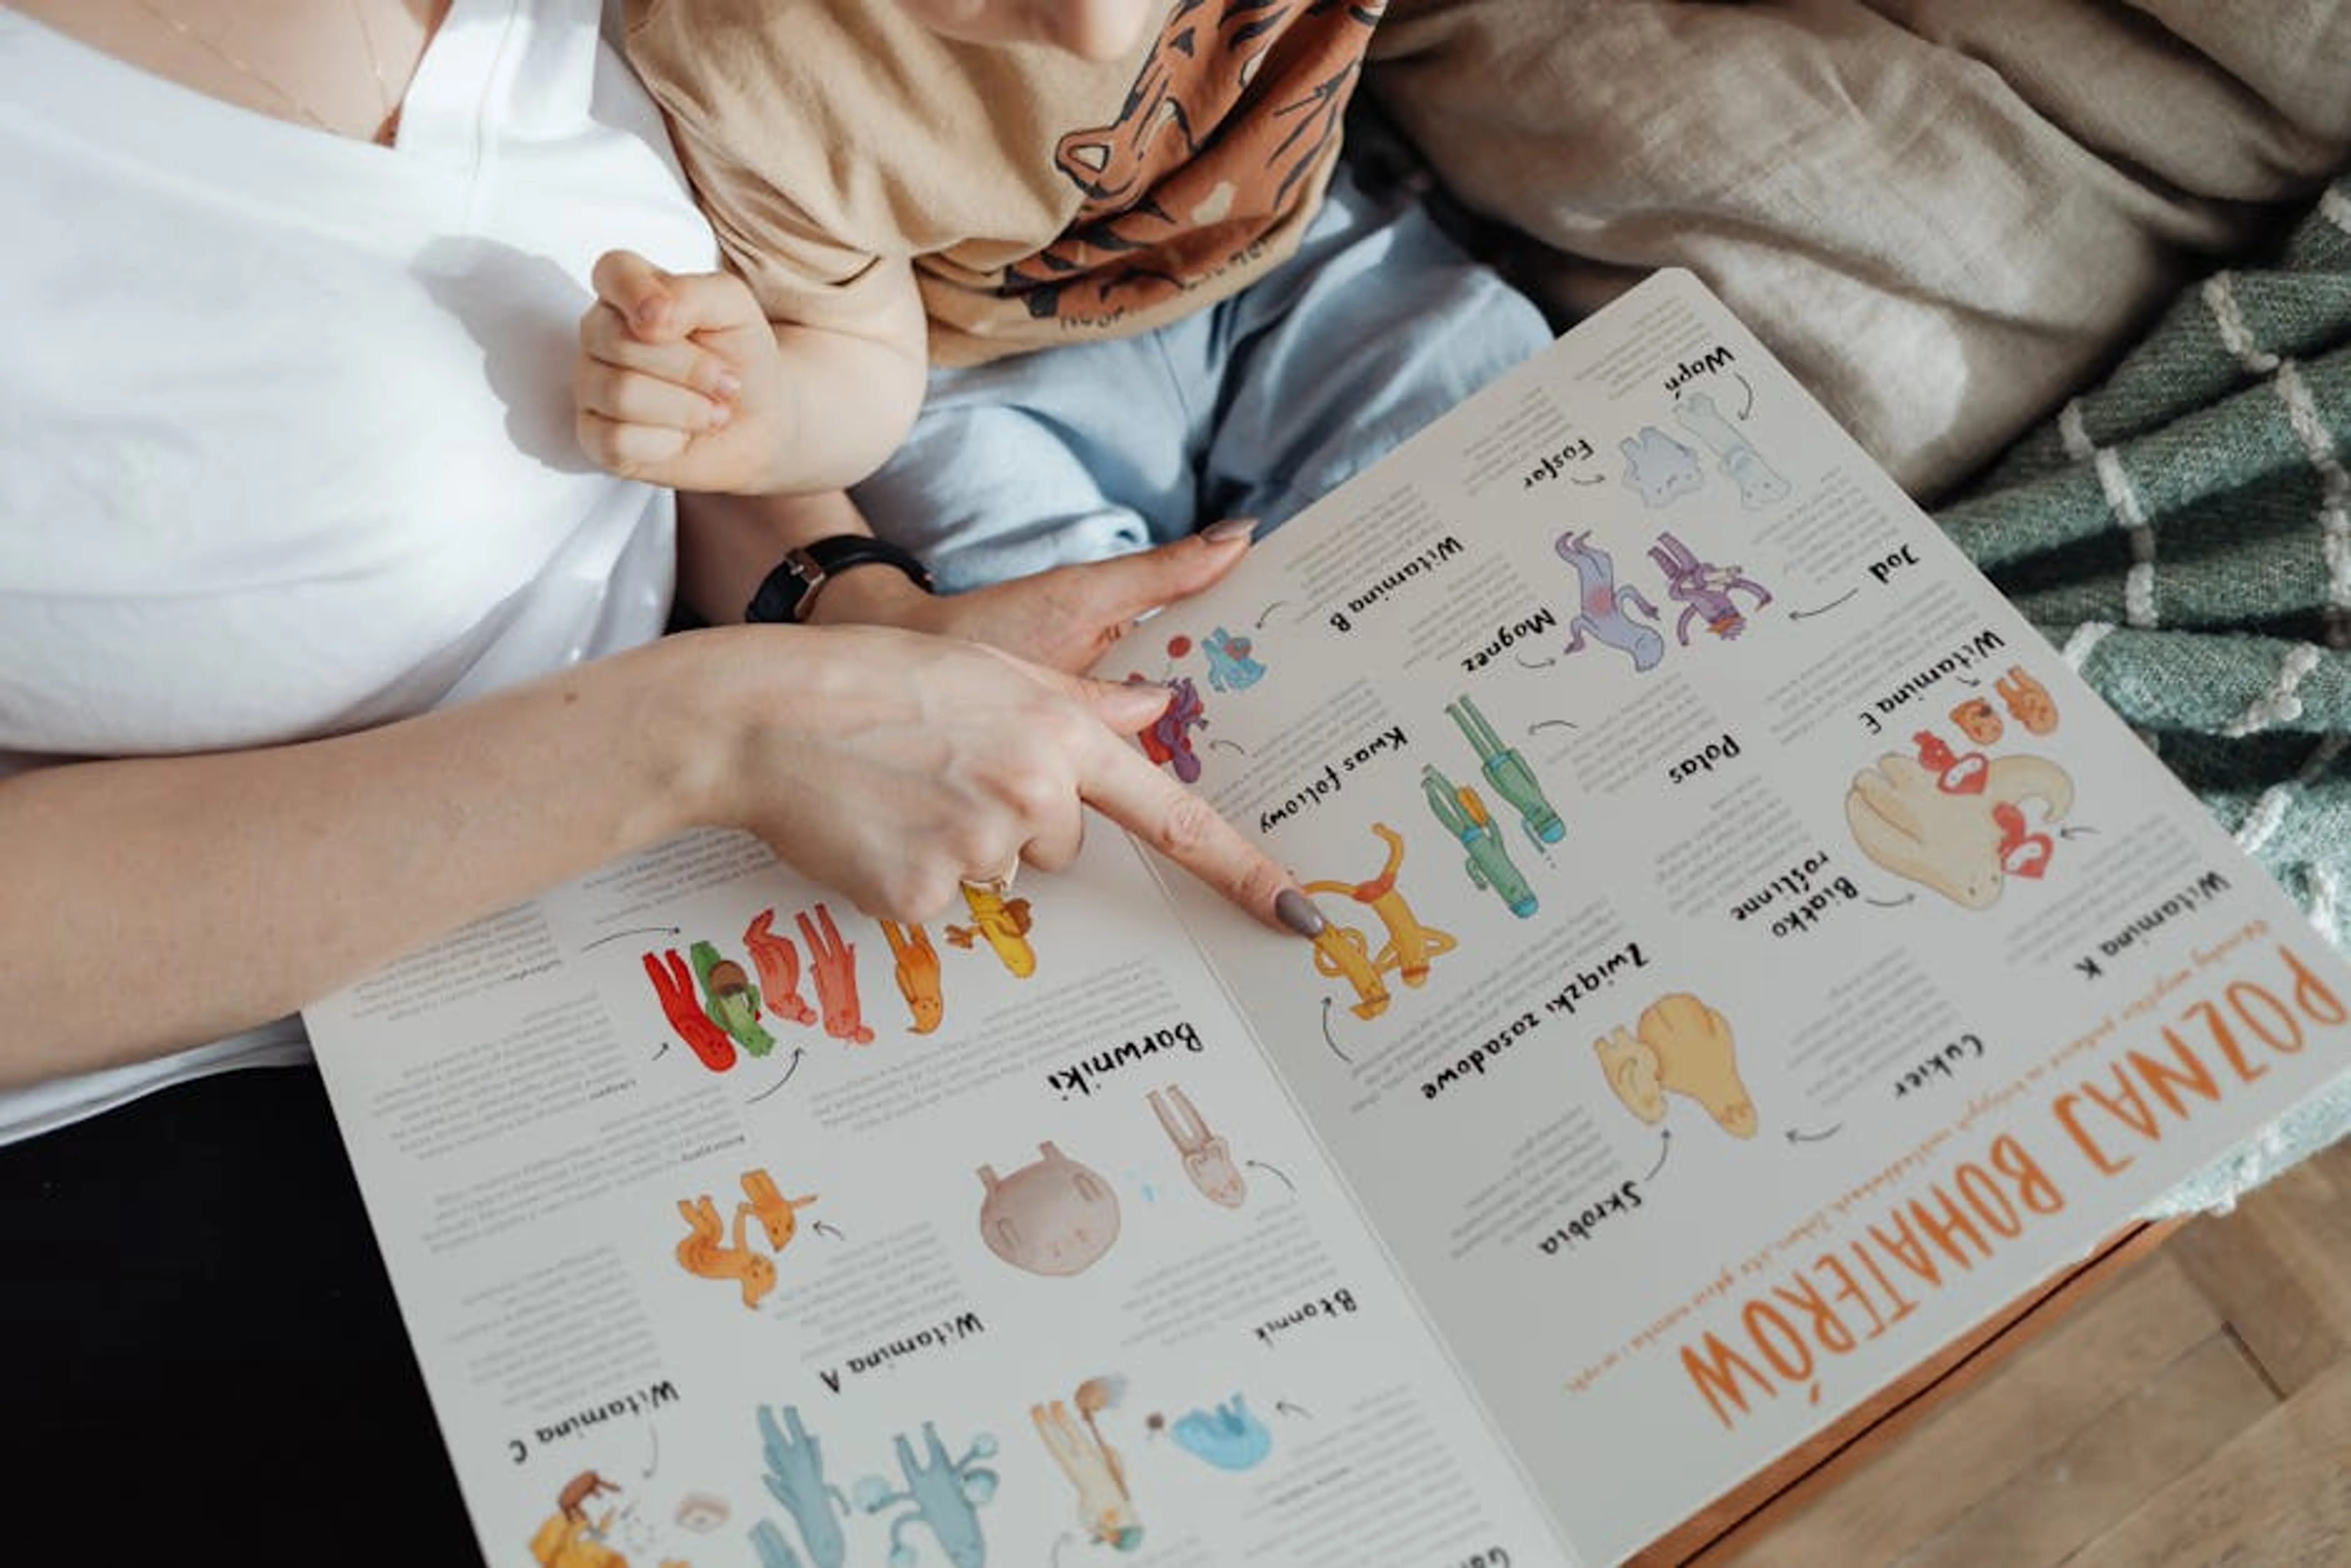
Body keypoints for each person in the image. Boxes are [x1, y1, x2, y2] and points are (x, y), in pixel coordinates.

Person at [0, 1, 1320, 1556]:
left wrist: (847, 601)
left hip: (663, 932)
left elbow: (648, 403)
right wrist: (707, 730)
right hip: (211, 1104)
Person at [570, 0, 1554, 638]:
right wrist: (776, 420)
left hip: (1296, 253)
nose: (1100, 29)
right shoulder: (748, 60)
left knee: (1501, 429)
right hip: (971, 373)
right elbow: (860, 348)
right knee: (1064, 656)